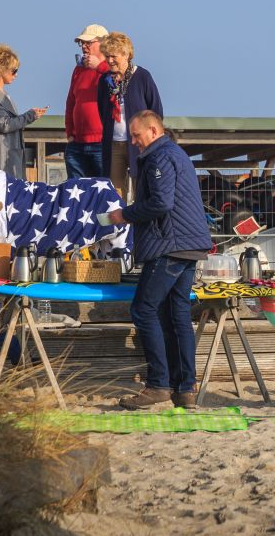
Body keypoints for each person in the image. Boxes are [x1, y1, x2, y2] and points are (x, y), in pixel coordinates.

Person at [104, 111, 211, 409]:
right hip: (190, 246)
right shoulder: (177, 153)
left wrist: (124, 214)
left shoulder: (158, 157)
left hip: (169, 246)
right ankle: (185, 388)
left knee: (143, 309)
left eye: (137, 136)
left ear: (153, 130)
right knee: (176, 315)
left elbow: (161, 202)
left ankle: (158, 385)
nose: (134, 143)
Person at [97, 32, 163, 198]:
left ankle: (142, 223)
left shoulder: (142, 76)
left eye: (113, 56)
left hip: (141, 144)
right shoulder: (104, 81)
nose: (110, 60)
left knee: (142, 188)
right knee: (113, 191)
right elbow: (101, 110)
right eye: (107, 56)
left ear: (126, 54)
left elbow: (156, 110)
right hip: (113, 144)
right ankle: (118, 224)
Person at [0, 44, 47, 179]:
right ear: (2, 70)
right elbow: (5, 125)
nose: (16, 74)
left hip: (4, 158)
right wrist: (31, 115)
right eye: (14, 70)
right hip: (0, 161)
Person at [64, 24, 109, 179]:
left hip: (101, 143)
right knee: (76, 193)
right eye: (82, 43)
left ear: (103, 43)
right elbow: (71, 102)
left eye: (88, 42)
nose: (84, 46)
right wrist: (70, 133)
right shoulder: (78, 70)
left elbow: (118, 86)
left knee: (103, 193)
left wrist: (100, 67)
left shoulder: (111, 67)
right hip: (77, 143)